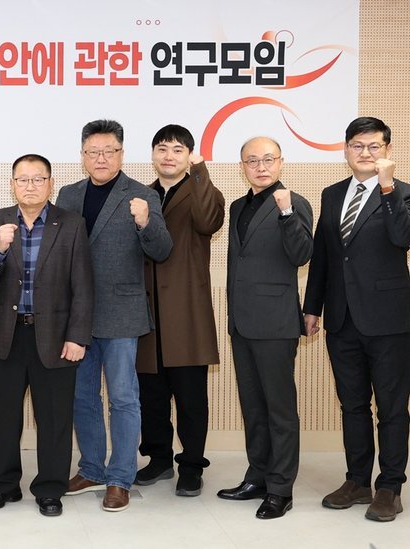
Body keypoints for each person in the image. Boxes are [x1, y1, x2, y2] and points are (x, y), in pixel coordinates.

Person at [304, 116, 410, 522]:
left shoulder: (407, 193)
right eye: (358, 145)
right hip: (341, 319)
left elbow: (403, 236)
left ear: (387, 150)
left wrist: (387, 187)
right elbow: (323, 254)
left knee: (392, 408)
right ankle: (357, 481)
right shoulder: (332, 194)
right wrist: (312, 307)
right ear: (346, 150)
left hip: (388, 320)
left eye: (374, 146)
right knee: (352, 405)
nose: (365, 153)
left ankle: (390, 487)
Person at [55, 120, 172, 512]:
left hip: (121, 312)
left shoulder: (142, 195)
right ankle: (92, 468)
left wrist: (145, 222)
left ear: (122, 154)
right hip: (77, 315)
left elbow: (162, 250)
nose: (101, 158)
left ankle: (121, 477)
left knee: (123, 398)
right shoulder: (69, 194)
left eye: (109, 151)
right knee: (81, 396)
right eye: (93, 152)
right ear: (83, 155)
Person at [0, 153, 93, 517]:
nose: (30, 186)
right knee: (4, 418)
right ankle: (2, 486)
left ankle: (50, 489)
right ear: (12, 184)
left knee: (54, 420)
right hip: (7, 336)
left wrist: (77, 337)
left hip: (56, 337)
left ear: (50, 184)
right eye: (22, 179)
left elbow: (83, 285)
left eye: (38, 179)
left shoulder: (71, 223)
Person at [218, 136, 313, 520]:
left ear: (281, 162)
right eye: (252, 160)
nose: (261, 166)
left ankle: (280, 489)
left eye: (268, 159)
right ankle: (257, 476)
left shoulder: (294, 202)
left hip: (275, 323)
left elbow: (301, 254)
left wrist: (287, 213)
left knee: (280, 410)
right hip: (242, 322)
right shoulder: (238, 206)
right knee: (253, 408)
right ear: (242, 166)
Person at [135, 125, 225, 496]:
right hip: (146, 313)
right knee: (151, 397)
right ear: (152, 155)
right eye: (162, 148)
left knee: (191, 399)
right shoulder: (141, 196)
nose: (169, 156)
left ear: (189, 156)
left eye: (177, 149)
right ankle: (158, 459)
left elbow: (208, 221)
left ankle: (191, 465)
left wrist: (201, 172)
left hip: (186, 311)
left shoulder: (203, 190)